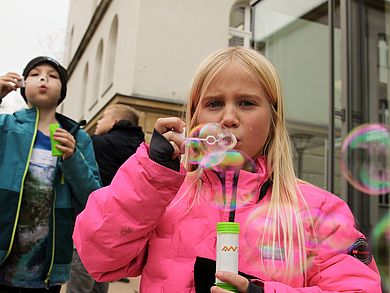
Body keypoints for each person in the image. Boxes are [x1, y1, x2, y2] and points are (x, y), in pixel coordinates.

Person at [73, 47, 382, 292]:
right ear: (194, 118)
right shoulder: (166, 195)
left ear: (273, 119)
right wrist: (151, 173)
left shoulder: (318, 210)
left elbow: (357, 289)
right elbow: (100, 257)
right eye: (215, 103)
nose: (229, 117)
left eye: (246, 103)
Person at [0, 56, 101, 292]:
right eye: (35, 74)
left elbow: (94, 198)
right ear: (23, 86)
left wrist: (73, 158)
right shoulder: (6, 126)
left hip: (46, 270)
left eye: (53, 76)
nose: (43, 78)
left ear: (62, 91)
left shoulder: (77, 137)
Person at [67, 104, 145, 293]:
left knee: (79, 285)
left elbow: (87, 184)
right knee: (100, 285)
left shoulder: (98, 144)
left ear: (115, 122)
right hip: (119, 230)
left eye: (102, 117)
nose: (98, 121)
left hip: (93, 224)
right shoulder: (142, 150)